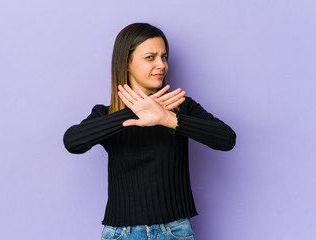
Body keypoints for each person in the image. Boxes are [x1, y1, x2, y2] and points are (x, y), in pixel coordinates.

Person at [63, 23, 236, 240]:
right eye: (150, 57)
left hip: (175, 231)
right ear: (126, 63)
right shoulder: (106, 114)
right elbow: (72, 142)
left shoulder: (181, 107)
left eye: (164, 57)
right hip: (122, 233)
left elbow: (226, 139)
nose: (161, 65)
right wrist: (132, 113)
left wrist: (167, 118)